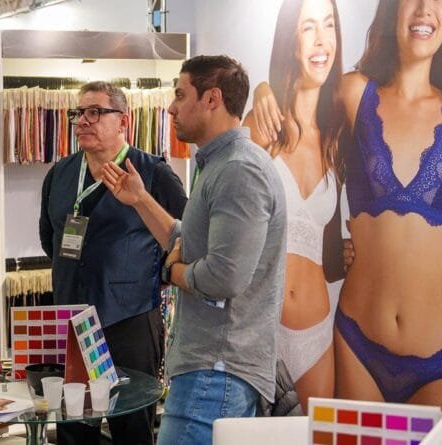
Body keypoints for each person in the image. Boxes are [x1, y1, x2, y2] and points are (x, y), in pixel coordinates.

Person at [252, 0, 442, 409]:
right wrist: (263, 89)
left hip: (439, 360)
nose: (424, 9)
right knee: (326, 436)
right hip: (357, 346)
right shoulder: (355, 93)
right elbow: (307, 82)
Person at [102, 55, 287, 444]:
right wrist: (140, 200)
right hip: (212, 372)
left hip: (216, 374)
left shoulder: (239, 170)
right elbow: (188, 239)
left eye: (180, 95)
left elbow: (223, 276)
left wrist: (170, 272)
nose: (171, 108)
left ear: (212, 99)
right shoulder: (221, 165)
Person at [39, 80, 186, 445]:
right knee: (73, 428)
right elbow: (50, 238)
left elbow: (185, 237)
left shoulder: (153, 173)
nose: (83, 121)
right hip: (72, 321)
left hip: (129, 321)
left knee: (131, 427)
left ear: (123, 120)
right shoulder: (60, 174)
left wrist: (158, 273)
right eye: (79, 113)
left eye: (95, 112)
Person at [243, 0, 344, 410]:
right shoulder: (262, 125)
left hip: (319, 332)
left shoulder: (337, 134)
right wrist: (262, 87)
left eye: (329, 25)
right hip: (263, 329)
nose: (321, 40)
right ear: (290, 41)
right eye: (307, 28)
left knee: (315, 436)